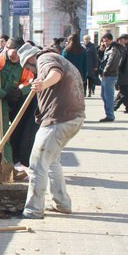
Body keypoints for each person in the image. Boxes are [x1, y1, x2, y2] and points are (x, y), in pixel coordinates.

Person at [17, 43, 85, 219]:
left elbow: (56, 73)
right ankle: (62, 203)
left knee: (38, 162)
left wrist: (43, 84)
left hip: (59, 120)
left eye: (27, 67)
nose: (30, 72)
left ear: (31, 59)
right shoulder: (54, 57)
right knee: (52, 161)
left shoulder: (45, 59)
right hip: (71, 117)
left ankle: (33, 210)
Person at [98, 33, 124, 122]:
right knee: (103, 95)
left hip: (110, 75)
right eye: (103, 41)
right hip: (106, 75)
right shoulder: (107, 48)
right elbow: (102, 60)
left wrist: (105, 72)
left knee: (108, 96)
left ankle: (110, 115)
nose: (105, 43)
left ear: (110, 40)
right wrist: (101, 50)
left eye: (106, 41)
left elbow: (111, 62)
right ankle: (109, 113)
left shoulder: (114, 49)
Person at [114, 34, 128, 114]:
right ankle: (115, 106)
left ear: (126, 40)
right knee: (123, 91)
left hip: (123, 73)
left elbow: (121, 63)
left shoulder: (124, 49)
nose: (120, 41)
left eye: (121, 39)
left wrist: (117, 71)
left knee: (124, 92)